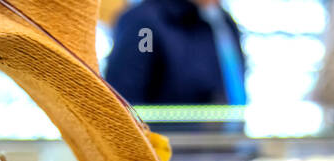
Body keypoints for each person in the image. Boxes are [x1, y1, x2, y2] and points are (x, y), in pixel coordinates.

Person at [105, 0, 247, 106]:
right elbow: (125, 97)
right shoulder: (145, 25)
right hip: (171, 141)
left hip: (227, 140)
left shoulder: (224, 22)